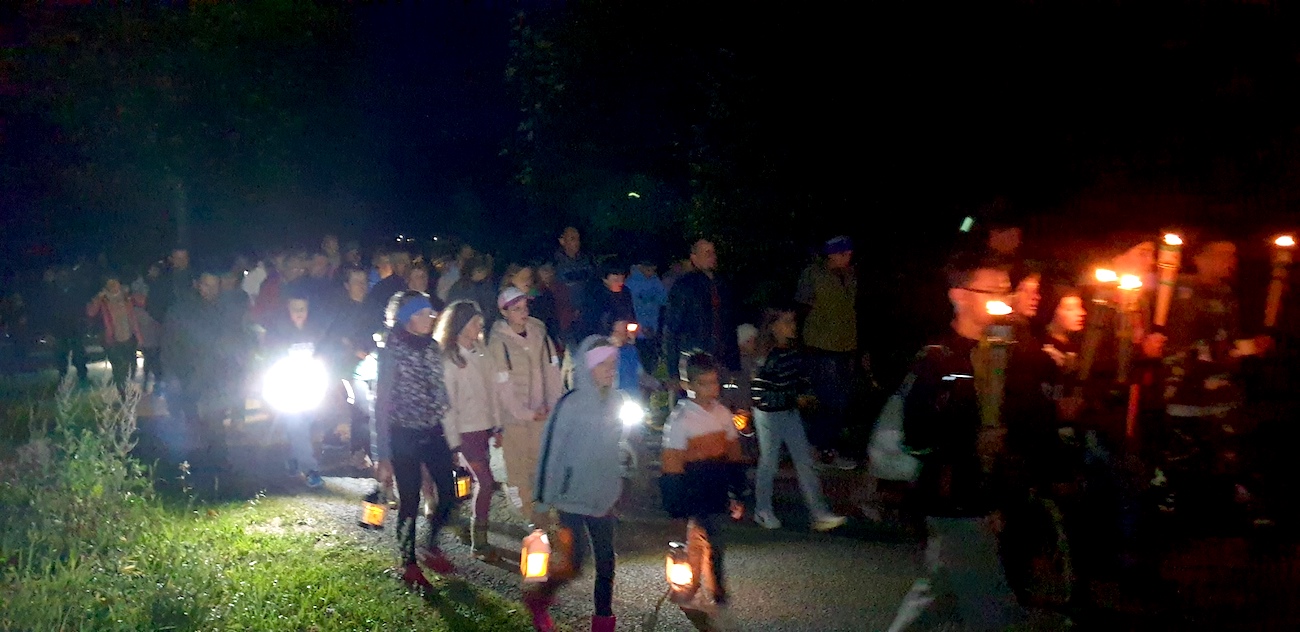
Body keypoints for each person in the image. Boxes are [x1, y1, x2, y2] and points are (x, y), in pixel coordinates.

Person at [886, 255, 1049, 632]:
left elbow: (1029, 417)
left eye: (1006, 291)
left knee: (936, 593)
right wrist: (971, 441)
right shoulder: (937, 359)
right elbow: (917, 434)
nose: (1002, 300)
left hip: (994, 495)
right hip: (954, 498)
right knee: (991, 608)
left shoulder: (1012, 351)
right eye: (990, 291)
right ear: (959, 295)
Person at [527, 335, 627, 632]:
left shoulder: (617, 401)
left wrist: (618, 480)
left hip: (602, 497)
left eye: (613, 363)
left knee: (606, 563)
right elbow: (551, 452)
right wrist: (543, 499)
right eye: (603, 364)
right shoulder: (569, 404)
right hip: (570, 497)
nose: (610, 369)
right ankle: (539, 599)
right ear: (587, 367)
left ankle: (603, 622)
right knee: (573, 563)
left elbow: (613, 446)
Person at [372, 292, 459, 588]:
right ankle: (408, 562)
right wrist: (383, 454)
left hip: (433, 430)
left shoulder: (432, 347)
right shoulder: (391, 351)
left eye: (431, 313)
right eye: (422, 313)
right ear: (406, 317)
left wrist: (451, 435)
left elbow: (440, 392)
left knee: (449, 493)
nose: (430, 318)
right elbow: (381, 405)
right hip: (403, 433)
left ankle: (430, 545)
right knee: (409, 500)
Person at [659, 352, 746, 628]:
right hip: (693, 489)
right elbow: (672, 465)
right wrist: (675, 503)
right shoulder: (680, 420)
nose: (712, 389)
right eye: (705, 383)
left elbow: (733, 455)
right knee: (706, 537)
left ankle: (702, 587)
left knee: (708, 538)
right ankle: (706, 589)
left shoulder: (722, 414)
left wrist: (738, 490)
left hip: (716, 487)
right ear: (690, 384)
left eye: (714, 382)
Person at [749, 307, 847, 532]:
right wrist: (793, 397)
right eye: (787, 322)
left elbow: (799, 378)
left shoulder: (792, 350)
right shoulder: (766, 355)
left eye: (793, 322)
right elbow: (759, 394)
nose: (792, 326)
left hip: (789, 412)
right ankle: (762, 510)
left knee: (805, 461)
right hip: (769, 414)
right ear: (773, 326)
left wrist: (805, 394)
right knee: (769, 462)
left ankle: (818, 513)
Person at [489, 287, 563, 525]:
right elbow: (503, 386)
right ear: (504, 312)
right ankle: (528, 516)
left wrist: (553, 405)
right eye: (516, 309)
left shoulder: (540, 334)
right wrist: (526, 413)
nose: (523, 313)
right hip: (515, 419)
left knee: (539, 463)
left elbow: (553, 372)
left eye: (525, 307)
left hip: (542, 413)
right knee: (518, 467)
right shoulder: (498, 343)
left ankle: (542, 511)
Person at [436, 300, 502, 562]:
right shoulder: (450, 361)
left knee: (475, 481)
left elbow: (492, 390)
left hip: (482, 428)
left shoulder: (482, 353)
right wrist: (453, 442)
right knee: (485, 482)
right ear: (461, 325)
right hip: (465, 432)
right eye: (475, 323)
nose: (479, 327)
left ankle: (460, 520)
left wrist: (497, 424)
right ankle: (479, 540)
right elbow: (448, 406)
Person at [795, 235, 860, 470]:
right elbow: (802, 308)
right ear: (832, 254)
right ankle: (819, 450)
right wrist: (802, 343)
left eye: (849, 253)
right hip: (820, 346)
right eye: (843, 253)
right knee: (828, 400)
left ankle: (827, 449)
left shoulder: (851, 276)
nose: (848, 257)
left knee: (841, 402)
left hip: (846, 346)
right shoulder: (813, 274)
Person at [265, 291, 326, 487]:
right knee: (297, 425)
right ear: (287, 309)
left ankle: (293, 458)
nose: (299, 313)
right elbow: (270, 357)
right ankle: (310, 469)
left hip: (310, 387)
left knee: (303, 426)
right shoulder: (277, 331)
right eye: (295, 309)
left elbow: (324, 354)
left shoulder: (315, 330)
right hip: (288, 387)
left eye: (303, 309)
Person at [662, 239, 739, 386]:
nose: (712, 257)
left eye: (713, 253)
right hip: (695, 359)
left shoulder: (722, 285)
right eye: (706, 253)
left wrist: (734, 364)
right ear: (694, 258)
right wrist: (673, 371)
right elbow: (672, 328)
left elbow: (729, 325)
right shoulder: (684, 286)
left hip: (720, 359)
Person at [85, 273, 143, 397]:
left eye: (115, 283)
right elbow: (90, 312)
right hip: (112, 339)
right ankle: (123, 393)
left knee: (132, 366)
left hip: (129, 336)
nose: (113, 286)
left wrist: (131, 293)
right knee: (118, 368)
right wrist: (98, 298)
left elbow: (142, 302)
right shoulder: (103, 300)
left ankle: (129, 388)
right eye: (110, 284)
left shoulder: (126, 296)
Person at [626, 259, 668, 372]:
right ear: (641, 267)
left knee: (652, 362)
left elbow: (664, 300)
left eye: (653, 270)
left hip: (653, 329)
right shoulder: (631, 283)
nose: (651, 273)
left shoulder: (655, 281)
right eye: (648, 270)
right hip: (636, 332)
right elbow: (629, 308)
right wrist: (641, 327)